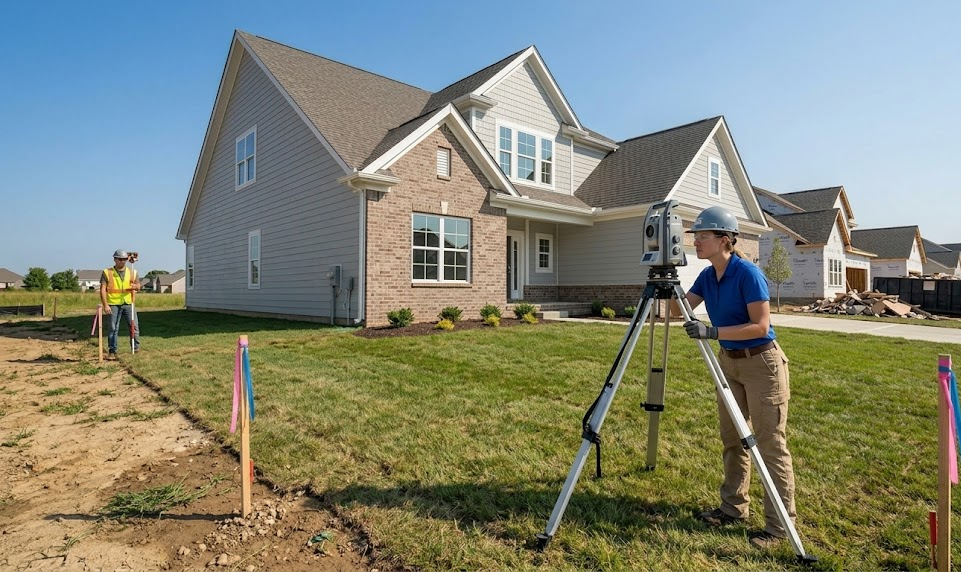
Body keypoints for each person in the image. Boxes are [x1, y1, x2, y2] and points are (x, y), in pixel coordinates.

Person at [681, 206, 796, 550]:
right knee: (732, 439)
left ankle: (779, 529)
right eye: (695, 236)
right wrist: (665, 282)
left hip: (762, 363)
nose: (696, 242)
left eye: (703, 236)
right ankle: (733, 508)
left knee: (770, 445)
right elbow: (676, 310)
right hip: (729, 363)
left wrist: (713, 331)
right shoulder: (706, 276)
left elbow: (760, 326)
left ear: (725, 239)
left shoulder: (748, 274)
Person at [99, 249, 141, 358]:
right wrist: (105, 305)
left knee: (134, 326)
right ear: (115, 259)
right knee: (113, 328)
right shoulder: (107, 273)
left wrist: (136, 287)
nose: (122, 261)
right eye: (120, 259)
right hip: (113, 304)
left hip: (128, 303)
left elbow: (139, 286)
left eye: (124, 259)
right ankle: (112, 350)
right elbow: (103, 289)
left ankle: (135, 348)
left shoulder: (133, 272)